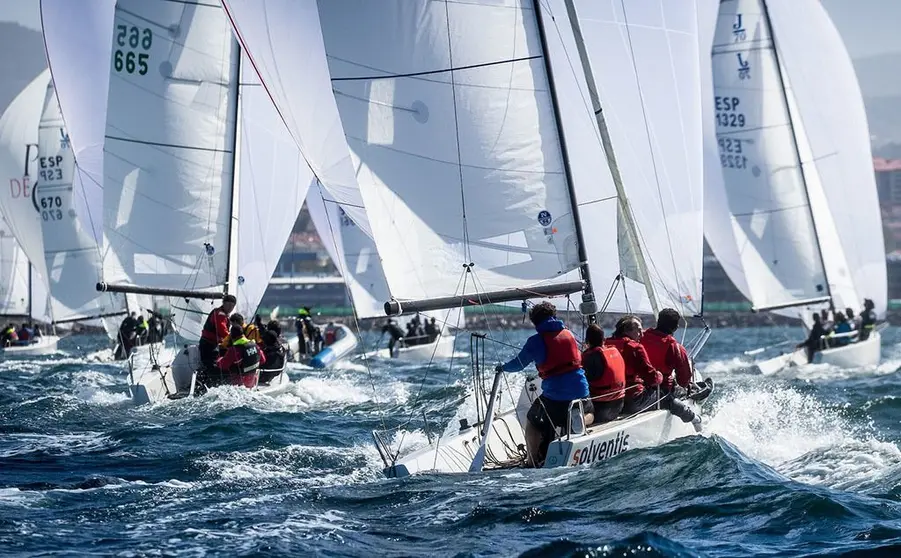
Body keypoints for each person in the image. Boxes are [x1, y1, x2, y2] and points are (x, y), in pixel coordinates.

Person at [494, 301, 589, 467]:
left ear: (535, 322)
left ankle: (531, 462)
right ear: (554, 316)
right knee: (577, 408)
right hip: (582, 391)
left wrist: (502, 368)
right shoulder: (569, 334)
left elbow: (519, 364)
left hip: (557, 396)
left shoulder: (535, 341)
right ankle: (576, 420)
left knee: (532, 419)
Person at [639, 308, 699, 425]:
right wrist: (686, 386)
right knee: (688, 390)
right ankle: (694, 417)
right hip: (661, 390)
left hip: (637, 388)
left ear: (658, 321)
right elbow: (684, 378)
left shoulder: (639, 337)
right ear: (676, 327)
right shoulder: (674, 347)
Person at [605, 316, 662, 415]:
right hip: (632, 400)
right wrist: (660, 376)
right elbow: (651, 378)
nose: (642, 335)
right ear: (627, 331)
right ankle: (693, 419)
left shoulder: (605, 345)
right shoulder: (635, 348)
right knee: (664, 395)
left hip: (610, 402)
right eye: (639, 331)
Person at [581, 324, 625, 424]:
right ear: (603, 339)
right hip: (619, 405)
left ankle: (579, 424)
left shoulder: (589, 357)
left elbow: (583, 381)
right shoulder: (614, 351)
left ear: (587, 341)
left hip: (600, 408)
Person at [215, 324, 265, 389]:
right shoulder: (255, 345)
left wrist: (218, 359)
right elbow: (263, 360)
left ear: (232, 336)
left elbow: (223, 365)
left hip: (238, 384)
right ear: (243, 334)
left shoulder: (234, 350)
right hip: (253, 382)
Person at [199, 294, 236, 368]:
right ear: (223, 303)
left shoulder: (224, 315)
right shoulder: (220, 314)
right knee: (211, 365)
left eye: (232, 306)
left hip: (213, 344)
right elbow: (223, 331)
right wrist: (234, 340)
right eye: (228, 304)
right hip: (208, 344)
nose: (230, 308)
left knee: (213, 363)